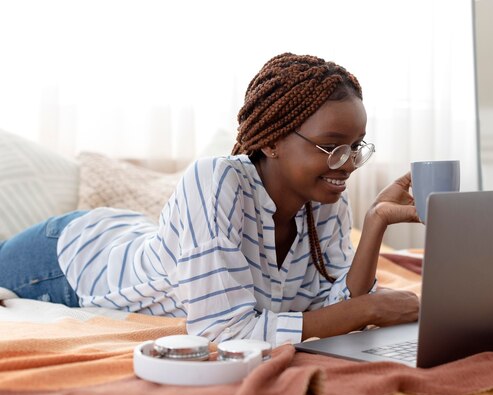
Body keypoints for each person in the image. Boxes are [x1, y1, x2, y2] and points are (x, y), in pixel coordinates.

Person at [0, 53, 420, 346]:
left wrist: (377, 219)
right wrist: (367, 314)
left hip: (127, 232)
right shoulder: (218, 179)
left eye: (355, 147)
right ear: (272, 140)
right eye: (332, 146)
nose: (347, 165)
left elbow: (338, 303)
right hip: (62, 261)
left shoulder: (325, 201)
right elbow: (223, 333)